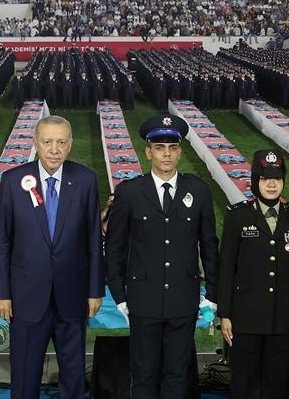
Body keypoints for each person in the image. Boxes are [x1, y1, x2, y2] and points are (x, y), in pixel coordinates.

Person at [105, 114, 218, 399]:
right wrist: (119, 295)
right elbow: (115, 247)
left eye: (172, 148)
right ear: (148, 152)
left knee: (177, 376)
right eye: (159, 148)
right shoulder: (129, 192)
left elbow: (209, 246)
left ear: (180, 152)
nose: (166, 154)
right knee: (143, 375)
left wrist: (212, 293)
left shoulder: (199, 191)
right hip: (142, 300)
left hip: (183, 300)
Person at [0, 116, 104, 398]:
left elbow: (93, 239)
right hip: (26, 298)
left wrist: (95, 290)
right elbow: (2, 242)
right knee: (24, 376)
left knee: (74, 377)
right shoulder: (13, 180)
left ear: (70, 145)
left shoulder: (85, 180)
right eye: (47, 142)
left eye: (61, 142)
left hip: (73, 296)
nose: (54, 149)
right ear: (36, 143)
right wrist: (1, 293)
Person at [216, 150, 289, 399]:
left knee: (276, 383)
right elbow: (226, 267)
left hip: (283, 317)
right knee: (243, 383)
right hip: (245, 317)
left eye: (277, 178)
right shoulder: (238, 216)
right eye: (265, 178)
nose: (272, 184)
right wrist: (224, 314)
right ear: (254, 180)